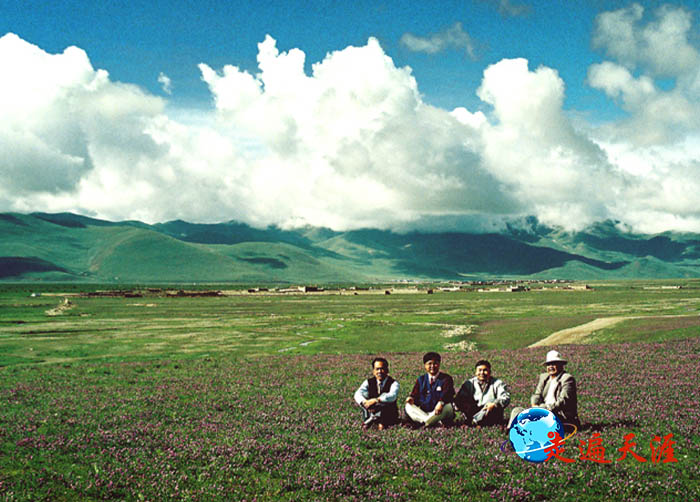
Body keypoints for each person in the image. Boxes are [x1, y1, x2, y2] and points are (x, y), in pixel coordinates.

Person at [508, 350, 580, 429]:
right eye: (548, 364)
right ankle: (510, 430)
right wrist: (534, 405)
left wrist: (545, 408)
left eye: (554, 364)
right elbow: (537, 394)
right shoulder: (544, 377)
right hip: (542, 410)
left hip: (560, 415)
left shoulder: (567, 378)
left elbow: (563, 400)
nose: (551, 367)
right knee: (517, 410)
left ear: (561, 365)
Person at [405, 352, 455, 427]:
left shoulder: (446, 378)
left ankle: (425, 423)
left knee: (448, 406)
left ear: (439, 364)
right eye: (429, 363)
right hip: (425, 412)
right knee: (408, 406)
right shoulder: (421, 379)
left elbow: (448, 394)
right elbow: (415, 394)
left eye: (435, 363)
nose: (432, 366)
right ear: (425, 365)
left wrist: (441, 402)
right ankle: (430, 422)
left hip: (441, 411)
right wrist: (411, 398)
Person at [455, 359, 510, 426]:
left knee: (492, 404)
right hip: (473, 411)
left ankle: (474, 421)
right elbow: (459, 398)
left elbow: (505, 397)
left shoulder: (498, 383)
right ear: (475, 372)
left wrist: (495, 404)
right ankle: (475, 421)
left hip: (490, 413)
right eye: (480, 370)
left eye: (485, 370)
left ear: (490, 371)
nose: (482, 373)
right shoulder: (469, 383)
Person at [354, 357, 400, 430]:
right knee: (364, 395)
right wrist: (365, 402)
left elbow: (392, 396)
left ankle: (378, 423)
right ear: (373, 371)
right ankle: (370, 421)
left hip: (388, 413)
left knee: (385, 397)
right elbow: (358, 393)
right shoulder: (368, 382)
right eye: (377, 369)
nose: (379, 371)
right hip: (371, 411)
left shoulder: (394, 383)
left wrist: (376, 400)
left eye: (382, 369)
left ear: (387, 370)